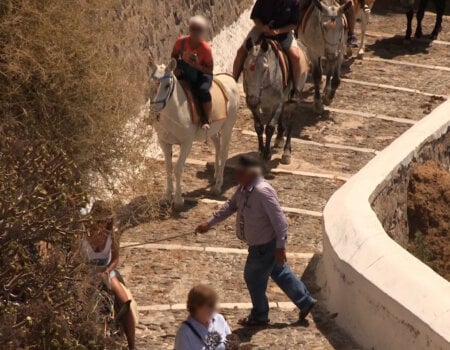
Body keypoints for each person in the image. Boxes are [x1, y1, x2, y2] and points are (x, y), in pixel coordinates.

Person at [196, 156, 317, 326]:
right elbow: (230, 206)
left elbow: (280, 222)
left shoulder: (262, 192)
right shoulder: (244, 189)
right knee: (279, 272)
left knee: (252, 277)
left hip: (264, 246)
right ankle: (305, 301)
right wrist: (209, 223)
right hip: (262, 245)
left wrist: (280, 247)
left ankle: (260, 315)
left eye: (241, 172)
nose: (237, 175)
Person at [81, 201, 136, 350]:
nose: (102, 224)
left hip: (106, 270)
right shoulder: (82, 232)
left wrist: (106, 271)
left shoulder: (113, 233)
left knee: (125, 301)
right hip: (85, 272)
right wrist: (86, 273)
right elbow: (74, 259)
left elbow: (115, 258)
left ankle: (132, 344)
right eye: (99, 220)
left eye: (105, 220)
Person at [232, 0, 303, 101]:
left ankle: (295, 90)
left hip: (283, 33)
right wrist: (262, 27)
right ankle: (233, 83)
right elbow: (255, 16)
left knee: (296, 56)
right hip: (261, 30)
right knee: (241, 52)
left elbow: (294, 24)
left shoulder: (294, 2)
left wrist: (279, 31)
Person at [171, 16, 214, 130]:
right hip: (185, 69)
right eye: (193, 29)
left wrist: (197, 66)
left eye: (198, 30)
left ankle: (206, 118)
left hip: (201, 73)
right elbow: (174, 56)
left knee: (203, 90)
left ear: (202, 32)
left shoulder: (206, 49)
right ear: (189, 30)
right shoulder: (181, 42)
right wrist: (175, 69)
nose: (195, 32)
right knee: (167, 84)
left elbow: (210, 70)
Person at [175, 285, 239, 350]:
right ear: (198, 307)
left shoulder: (219, 320)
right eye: (210, 305)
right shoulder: (184, 334)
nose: (214, 307)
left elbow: (231, 344)